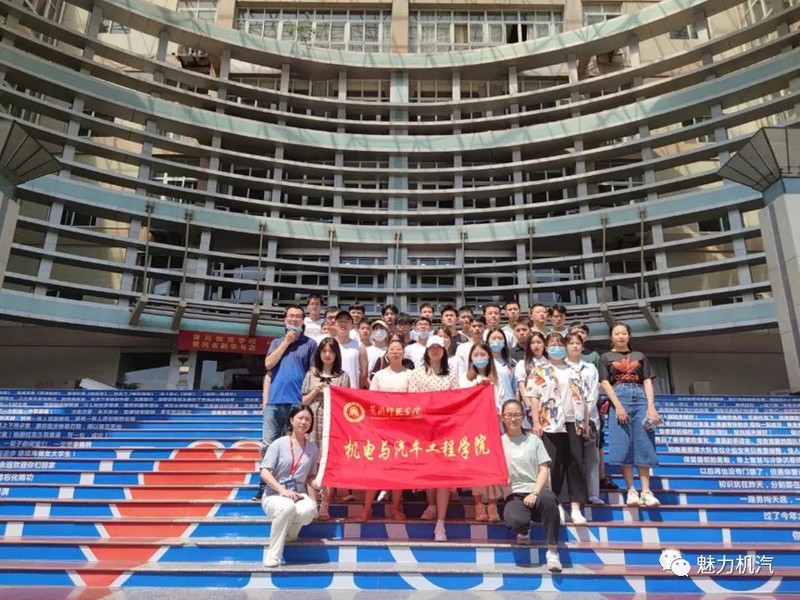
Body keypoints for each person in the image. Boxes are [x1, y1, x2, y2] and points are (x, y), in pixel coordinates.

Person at [525, 332, 589, 526]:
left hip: (574, 422)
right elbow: (534, 397)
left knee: (575, 463)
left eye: (560, 344)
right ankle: (558, 505)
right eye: (552, 345)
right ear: (546, 347)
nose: (556, 348)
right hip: (550, 423)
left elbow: (584, 397)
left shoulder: (574, 370)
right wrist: (536, 422)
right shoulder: (540, 369)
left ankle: (576, 507)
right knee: (554, 464)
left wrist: (586, 422)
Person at [256, 305, 317, 501]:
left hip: (296, 403)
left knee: (292, 446)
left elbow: (313, 372)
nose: (294, 319)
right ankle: (264, 486)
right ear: (285, 319)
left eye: (298, 316)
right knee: (268, 444)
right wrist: (286, 342)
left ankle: (290, 484)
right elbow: (268, 365)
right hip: (274, 402)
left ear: (303, 320)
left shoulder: (310, 344)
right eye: (290, 316)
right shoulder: (276, 342)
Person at [598, 322, 662, 507]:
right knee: (623, 442)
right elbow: (605, 382)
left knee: (644, 442)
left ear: (629, 336)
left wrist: (651, 406)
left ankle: (646, 491)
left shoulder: (639, 356)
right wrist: (617, 405)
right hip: (619, 398)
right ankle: (631, 490)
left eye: (624, 333)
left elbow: (647, 381)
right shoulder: (606, 357)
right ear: (611, 337)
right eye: (617, 333)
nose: (621, 336)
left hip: (640, 397)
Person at [500, 399, 563, 572]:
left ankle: (552, 550)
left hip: (537, 490)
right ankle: (523, 530)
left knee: (549, 499)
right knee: (516, 521)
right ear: (502, 417)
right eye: (509, 415)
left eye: (517, 414)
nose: (513, 418)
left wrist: (535, 492)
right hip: (514, 493)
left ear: (523, 416)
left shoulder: (534, 440)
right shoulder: (498, 443)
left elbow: (544, 469)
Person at [408, 335, 458, 542]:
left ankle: (441, 523)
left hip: (445, 430)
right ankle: (431, 504)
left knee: (444, 475)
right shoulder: (416, 373)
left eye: (439, 348)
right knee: (429, 471)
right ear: (426, 351)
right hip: (424, 430)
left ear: (444, 351)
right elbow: (413, 400)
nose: (435, 351)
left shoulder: (451, 374)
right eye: (431, 348)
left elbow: (456, 400)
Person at [260, 405, 319, 567]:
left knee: (309, 510)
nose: (304, 422)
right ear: (292, 420)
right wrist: (282, 490)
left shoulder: (312, 448)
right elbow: (264, 472)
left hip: (298, 495)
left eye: (308, 419)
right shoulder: (278, 444)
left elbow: (310, 477)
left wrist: (317, 484)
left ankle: (289, 535)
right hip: (274, 495)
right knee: (286, 507)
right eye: (301, 418)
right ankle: (273, 555)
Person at [361, 335, 412, 521]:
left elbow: (415, 401)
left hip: (402, 430)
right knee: (375, 470)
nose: (395, 352)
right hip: (381, 430)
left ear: (404, 353)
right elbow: (372, 402)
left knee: (398, 471)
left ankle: (395, 508)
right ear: (387, 353)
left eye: (399, 349)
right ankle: (366, 508)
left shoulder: (410, 375)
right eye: (392, 350)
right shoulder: (379, 376)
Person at [300, 337, 351, 520]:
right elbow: (303, 401)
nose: (327, 355)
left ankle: (325, 506)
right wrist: (316, 390)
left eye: (331, 351)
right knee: (312, 461)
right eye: (324, 351)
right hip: (312, 423)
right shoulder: (311, 374)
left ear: (336, 354)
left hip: (333, 424)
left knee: (328, 462)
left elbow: (346, 403)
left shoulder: (343, 376)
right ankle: (313, 503)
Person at [459, 341, 503, 522]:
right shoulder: (465, 378)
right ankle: (478, 505)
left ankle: (492, 504)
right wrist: (478, 386)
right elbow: (462, 400)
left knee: (492, 466)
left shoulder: (498, 378)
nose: (479, 358)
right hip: (473, 428)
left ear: (489, 357)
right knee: (477, 467)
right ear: (470, 358)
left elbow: (503, 401)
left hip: (493, 426)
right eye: (476, 355)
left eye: (483, 355)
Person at [564, 332, 603, 505]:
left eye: (577, 343)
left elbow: (593, 392)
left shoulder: (590, 368)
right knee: (572, 458)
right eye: (571, 343)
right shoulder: (561, 367)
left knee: (592, 457)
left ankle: (593, 494)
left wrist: (585, 415)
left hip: (590, 418)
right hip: (568, 418)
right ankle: (573, 494)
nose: (574, 346)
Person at [333, 310, 367, 389]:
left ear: (352, 325)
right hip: (333, 390)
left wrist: (356, 387)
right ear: (335, 324)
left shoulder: (359, 345)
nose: (343, 324)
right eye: (340, 321)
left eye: (347, 321)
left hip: (352, 390)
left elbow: (364, 372)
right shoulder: (329, 344)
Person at [486, 326, 517, 408]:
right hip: (490, 404)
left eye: (500, 338)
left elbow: (515, 388)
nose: (497, 341)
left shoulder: (512, 362)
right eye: (494, 338)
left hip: (508, 404)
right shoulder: (485, 362)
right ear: (488, 341)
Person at [454, 315, 486, 381]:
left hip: (487, 380)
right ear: (470, 327)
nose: (477, 328)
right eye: (474, 326)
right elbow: (458, 369)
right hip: (467, 381)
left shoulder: (489, 346)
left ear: (485, 327)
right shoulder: (461, 348)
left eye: (480, 326)